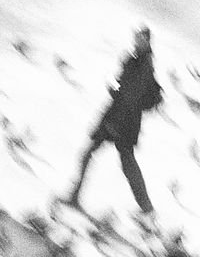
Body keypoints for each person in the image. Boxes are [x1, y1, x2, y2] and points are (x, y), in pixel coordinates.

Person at [63, 26, 162, 220]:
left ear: (148, 41)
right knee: (123, 161)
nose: (137, 41)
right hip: (122, 118)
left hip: (121, 120)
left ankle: (147, 208)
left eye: (141, 39)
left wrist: (114, 117)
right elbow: (128, 91)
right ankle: (147, 208)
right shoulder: (138, 60)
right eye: (136, 38)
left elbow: (131, 97)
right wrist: (115, 90)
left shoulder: (144, 64)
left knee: (101, 156)